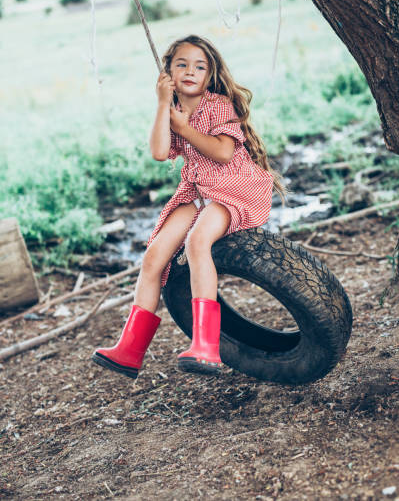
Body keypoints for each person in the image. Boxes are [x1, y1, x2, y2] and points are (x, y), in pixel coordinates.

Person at [92, 35, 287, 379]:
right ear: (167, 72)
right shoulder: (172, 110)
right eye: (181, 64)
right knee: (153, 256)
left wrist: (184, 127)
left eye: (200, 66)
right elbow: (157, 152)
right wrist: (162, 107)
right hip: (197, 189)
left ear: (210, 74)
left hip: (232, 186)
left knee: (198, 242)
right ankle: (129, 350)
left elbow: (224, 152)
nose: (190, 71)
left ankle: (206, 346)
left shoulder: (219, 104)